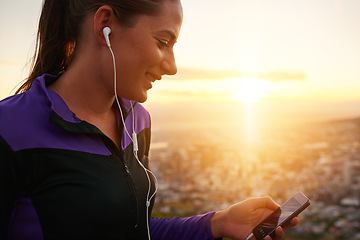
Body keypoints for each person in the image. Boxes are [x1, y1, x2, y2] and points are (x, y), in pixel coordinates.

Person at [0, 0, 299, 239]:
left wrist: (218, 223)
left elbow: (134, 229)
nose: (172, 67)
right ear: (106, 25)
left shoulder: (137, 121)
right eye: (162, 42)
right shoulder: (10, 128)